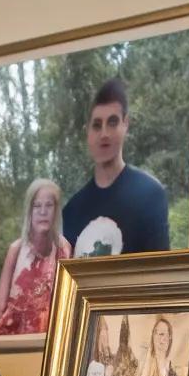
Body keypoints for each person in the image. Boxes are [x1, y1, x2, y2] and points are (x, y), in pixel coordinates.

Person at [63, 79, 170, 258]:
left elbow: (162, 276)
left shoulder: (150, 195)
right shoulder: (72, 211)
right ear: (87, 132)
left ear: (125, 124)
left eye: (112, 122)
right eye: (97, 125)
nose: (104, 134)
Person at [0, 179, 71, 336]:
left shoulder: (63, 249)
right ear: (29, 211)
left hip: (50, 338)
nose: (43, 211)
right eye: (37, 206)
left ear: (57, 210)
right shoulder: (16, 250)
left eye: (49, 205)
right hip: (14, 339)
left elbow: (67, 304)